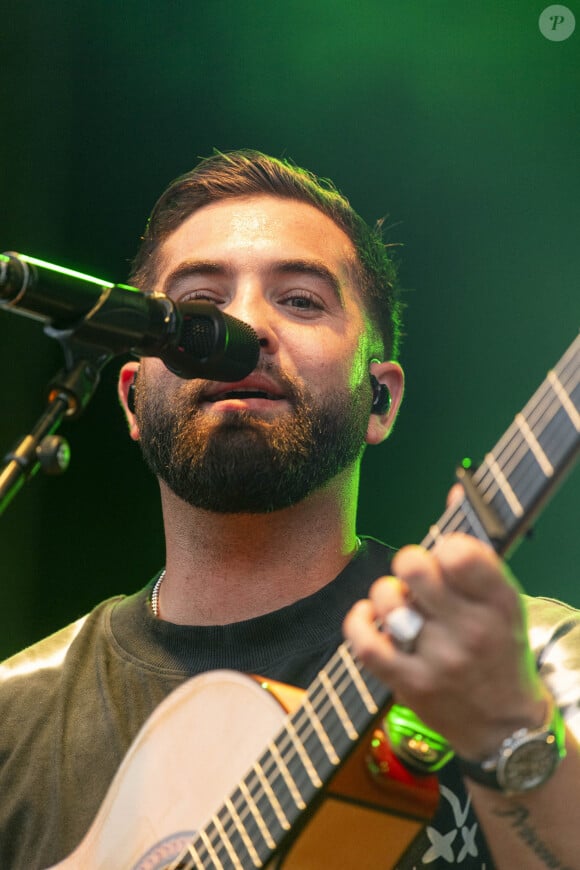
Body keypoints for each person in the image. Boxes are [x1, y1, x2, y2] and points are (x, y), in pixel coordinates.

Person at [0, 150, 578, 870]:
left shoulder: (539, 655)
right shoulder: (14, 716)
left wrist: (508, 730)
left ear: (383, 399)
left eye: (301, 300)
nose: (247, 330)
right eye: (198, 308)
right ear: (130, 400)